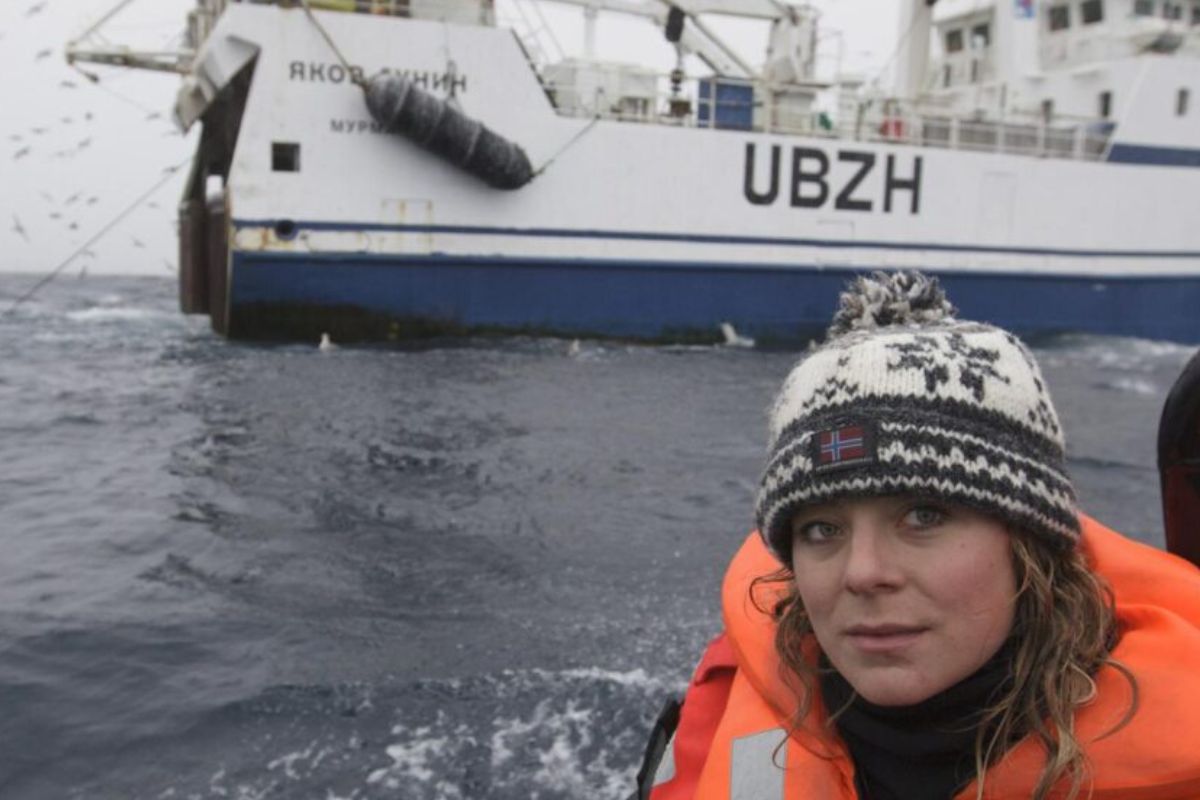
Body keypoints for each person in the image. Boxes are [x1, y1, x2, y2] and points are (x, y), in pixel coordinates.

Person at [633, 271, 1200, 800]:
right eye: (822, 529)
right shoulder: (717, 722)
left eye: (924, 516)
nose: (862, 573)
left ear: (1030, 545)